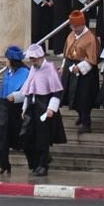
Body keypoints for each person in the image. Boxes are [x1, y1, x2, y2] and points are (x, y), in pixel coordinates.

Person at [18, 44, 66, 178]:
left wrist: (51, 108)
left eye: (34, 59)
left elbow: (56, 92)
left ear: (41, 57)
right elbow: (29, 90)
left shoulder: (50, 69)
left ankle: (43, 165)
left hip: (44, 106)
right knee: (26, 137)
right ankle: (35, 163)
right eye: (31, 59)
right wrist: (24, 108)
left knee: (42, 138)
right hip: (32, 106)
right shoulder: (33, 69)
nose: (33, 62)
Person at [60, 9, 100, 132]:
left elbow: (92, 58)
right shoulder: (71, 35)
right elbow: (66, 52)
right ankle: (80, 116)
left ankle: (86, 123)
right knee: (71, 94)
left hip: (85, 70)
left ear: (83, 25)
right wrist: (63, 66)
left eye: (76, 26)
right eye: (72, 26)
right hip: (70, 66)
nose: (74, 29)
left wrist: (81, 67)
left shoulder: (90, 38)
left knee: (84, 97)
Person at [0, 45, 28, 178]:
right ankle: (4, 165)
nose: (5, 61)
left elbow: (27, 91)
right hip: (4, 108)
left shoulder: (25, 73)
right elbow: (3, 93)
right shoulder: (7, 73)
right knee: (1, 140)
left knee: (23, 139)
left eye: (7, 58)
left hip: (17, 110)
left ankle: (40, 161)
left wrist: (16, 96)